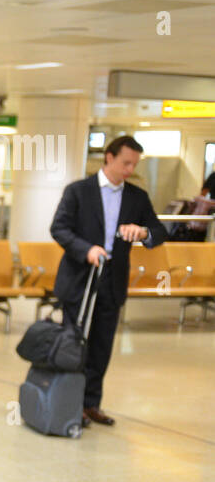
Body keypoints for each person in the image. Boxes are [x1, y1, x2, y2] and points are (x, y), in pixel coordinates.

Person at [50, 135, 167, 427]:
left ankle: (91, 404)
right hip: (79, 280)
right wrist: (86, 249)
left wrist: (142, 233)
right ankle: (69, 403)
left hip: (112, 283)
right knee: (74, 345)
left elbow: (159, 231)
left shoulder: (137, 197)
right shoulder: (78, 191)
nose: (129, 169)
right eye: (126, 162)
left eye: (134, 164)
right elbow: (59, 228)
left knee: (102, 346)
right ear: (109, 157)